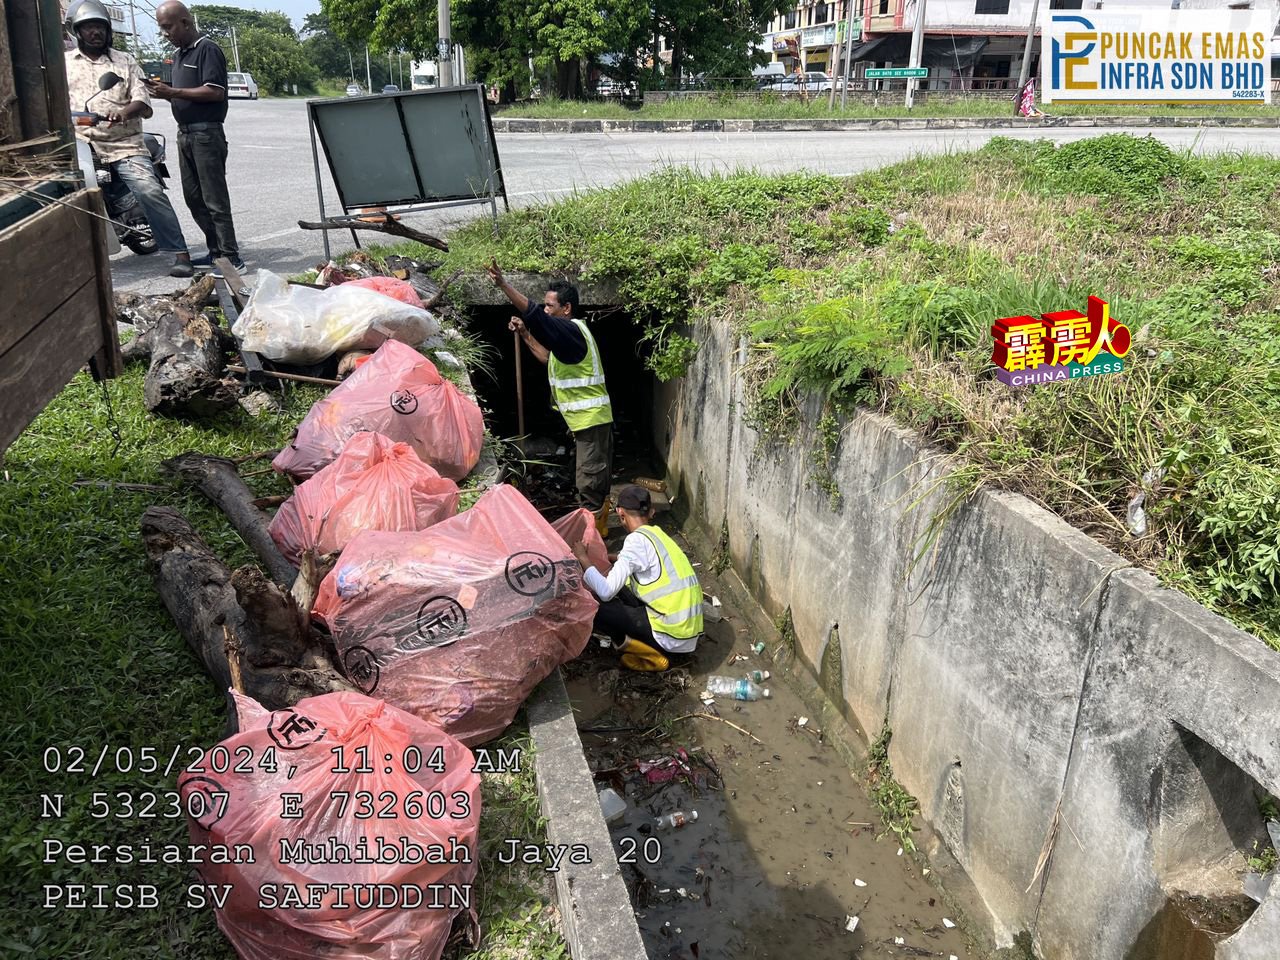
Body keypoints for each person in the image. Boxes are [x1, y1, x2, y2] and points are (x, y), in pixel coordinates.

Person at [64, 0, 194, 278]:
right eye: (88, 28)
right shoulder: (64, 64)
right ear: (77, 32)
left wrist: (122, 113)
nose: (95, 32)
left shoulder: (125, 61)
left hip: (124, 144)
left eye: (100, 27)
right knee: (59, 194)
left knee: (149, 191)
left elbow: (142, 101)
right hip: (80, 143)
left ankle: (179, 253)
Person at [487, 260, 614, 533]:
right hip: (581, 421)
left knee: (588, 481)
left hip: (591, 420)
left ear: (565, 309)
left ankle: (594, 540)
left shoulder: (570, 331)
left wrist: (504, 285)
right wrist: (524, 333)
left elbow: (535, 315)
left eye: (550, 305)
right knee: (585, 475)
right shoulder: (565, 340)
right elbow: (547, 358)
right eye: (545, 304)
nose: (545, 309)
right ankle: (596, 524)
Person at [145, 1, 244, 274]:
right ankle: (216, 253)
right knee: (194, 198)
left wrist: (173, 93)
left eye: (168, 27)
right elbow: (182, 91)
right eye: (161, 28)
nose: (165, 33)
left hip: (206, 134)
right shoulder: (179, 55)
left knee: (215, 200)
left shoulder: (207, 49)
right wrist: (164, 91)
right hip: (185, 134)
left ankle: (232, 258)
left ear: (185, 23)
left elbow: (215, 92)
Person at [570, 484, 703, 672]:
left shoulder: (635, 541)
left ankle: (646, 651)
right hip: (688, 634)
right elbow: (642, 560)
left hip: (670, 638)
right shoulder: (658, 535)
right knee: (623, 583)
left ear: (620, 514)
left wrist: (583, 558)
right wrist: (611, 558)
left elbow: (606, 592)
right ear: (652, 512)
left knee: (594, 605)